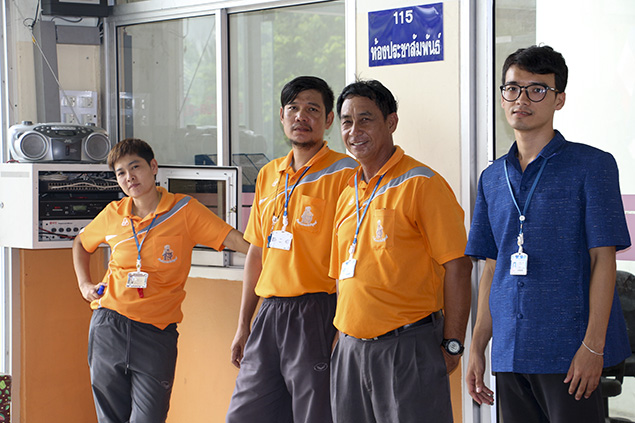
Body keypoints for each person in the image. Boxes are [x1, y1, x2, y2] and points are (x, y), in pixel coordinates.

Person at [465, 45, 632, 423]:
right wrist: (478, 347)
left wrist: (593, 347)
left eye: (537, 89)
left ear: (559, 99)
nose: (521, 99)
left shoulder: (592, 166)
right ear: (502, 97)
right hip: (510, 352)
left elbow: (603, 261)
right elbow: (492, 268)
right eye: (512, 89)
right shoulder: (492, 178)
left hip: (569, 351)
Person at [72, 138, 249, 423]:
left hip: (156, 334)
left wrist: (274, 257)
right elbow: (81, 243)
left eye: (135, 167)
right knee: (110, 418)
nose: (129, 177)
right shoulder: (113, 214)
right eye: (120, 172)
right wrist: (84, 284)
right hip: (109, 326)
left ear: (153, 167)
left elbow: (235, 241)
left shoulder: (184, 210)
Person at [329, 79, 472, 423]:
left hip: (407, 347)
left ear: (391, 122)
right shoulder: (348, 193)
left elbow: (458, 265)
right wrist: (340, 339)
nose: (354, 131)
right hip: (349, 351)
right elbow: (342, 277)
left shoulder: (421, 183)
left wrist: (453, 344)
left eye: (365, 119)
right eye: (347, 122)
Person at [226, 76, 358, 423]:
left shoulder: (347, 173)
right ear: (282, 116)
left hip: (317, 312)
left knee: (314, 414)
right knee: (244, 415)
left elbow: (352, 257)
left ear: (328, 120)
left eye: (312, 109)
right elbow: (257, 252)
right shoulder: (269, 174)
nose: (301, 116)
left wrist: (342, 328)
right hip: (269, 312)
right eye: (294, 108)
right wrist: (243, 323)